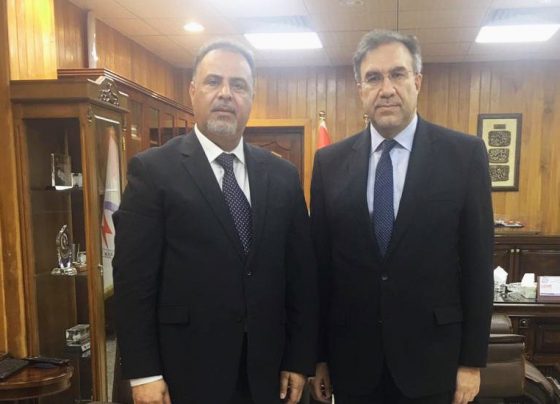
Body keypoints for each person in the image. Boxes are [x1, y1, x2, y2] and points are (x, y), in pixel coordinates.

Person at [113, 39, 318, 404]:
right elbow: (133, 283)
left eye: (238, 85)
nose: (225, 94)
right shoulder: (153, 171)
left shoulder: (283, 176)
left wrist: (299, 359)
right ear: (193, 91)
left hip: (268, 372)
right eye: (213, 81)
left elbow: (301, 278)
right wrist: (144, 373)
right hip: (185, 372)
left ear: (251, 97)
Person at [309, 30, 494, 404]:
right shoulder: (329, 163)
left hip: (434, 363)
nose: (387, 89)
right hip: (353, 363)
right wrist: (319, 356)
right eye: (373, 78)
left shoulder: (464, 156)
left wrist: (471, 362)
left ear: (417, 81)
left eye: (397, 74)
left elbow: (477, 266)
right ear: (360, 89)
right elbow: (320, 269)